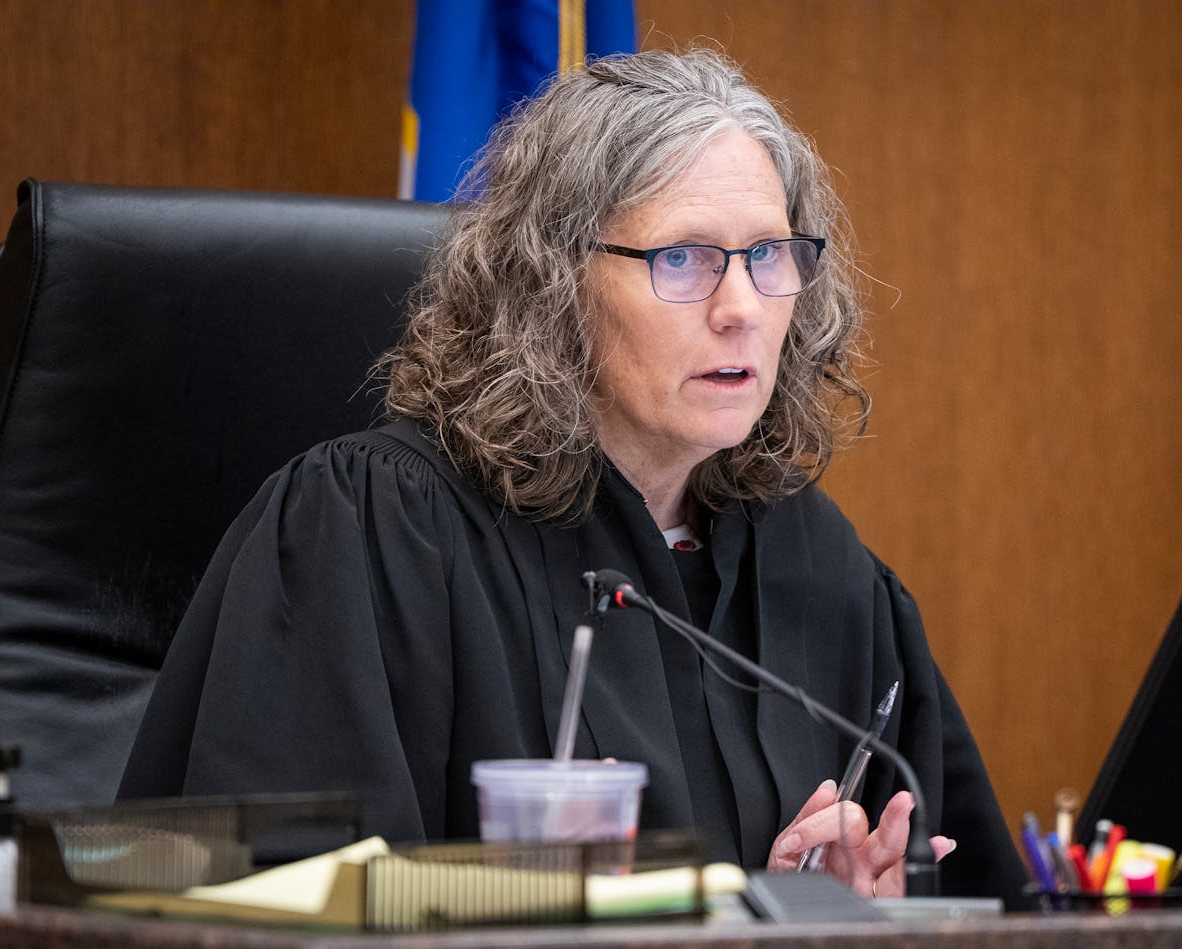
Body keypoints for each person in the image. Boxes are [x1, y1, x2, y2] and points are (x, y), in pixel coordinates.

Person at [119, 48, 1028, 906]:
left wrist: (816, 912)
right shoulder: (374, 531)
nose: (743, 307)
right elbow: (265, 903)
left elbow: (982, 898)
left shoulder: (824, 570)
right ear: (553, 283)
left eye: (769, 255)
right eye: (683, 258)